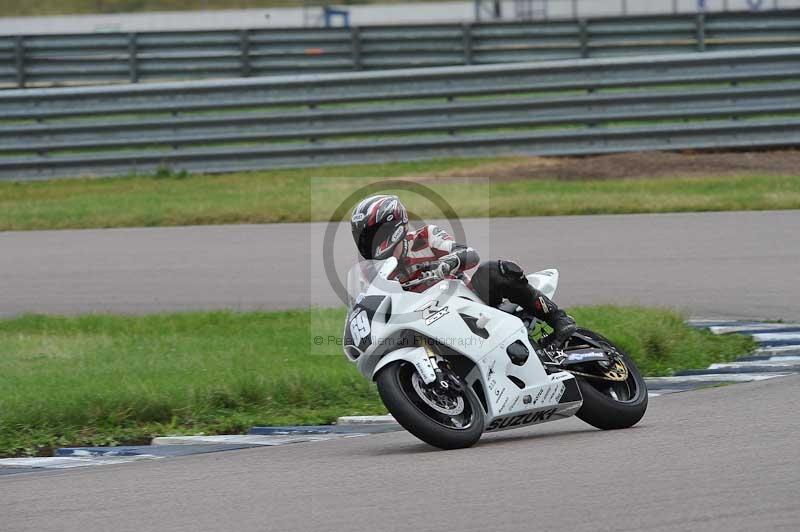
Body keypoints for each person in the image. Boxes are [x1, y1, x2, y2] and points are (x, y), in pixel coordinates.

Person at [350, 194, 577, 347]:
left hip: (469, 302)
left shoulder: (425, 237)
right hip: (424, 322)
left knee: (491, 271)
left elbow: (469, 254)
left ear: (393, 227)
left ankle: (558, 319)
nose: (370, 242)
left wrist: (447, 263)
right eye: (365, 237)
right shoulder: (369, 275)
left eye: (374, 235)